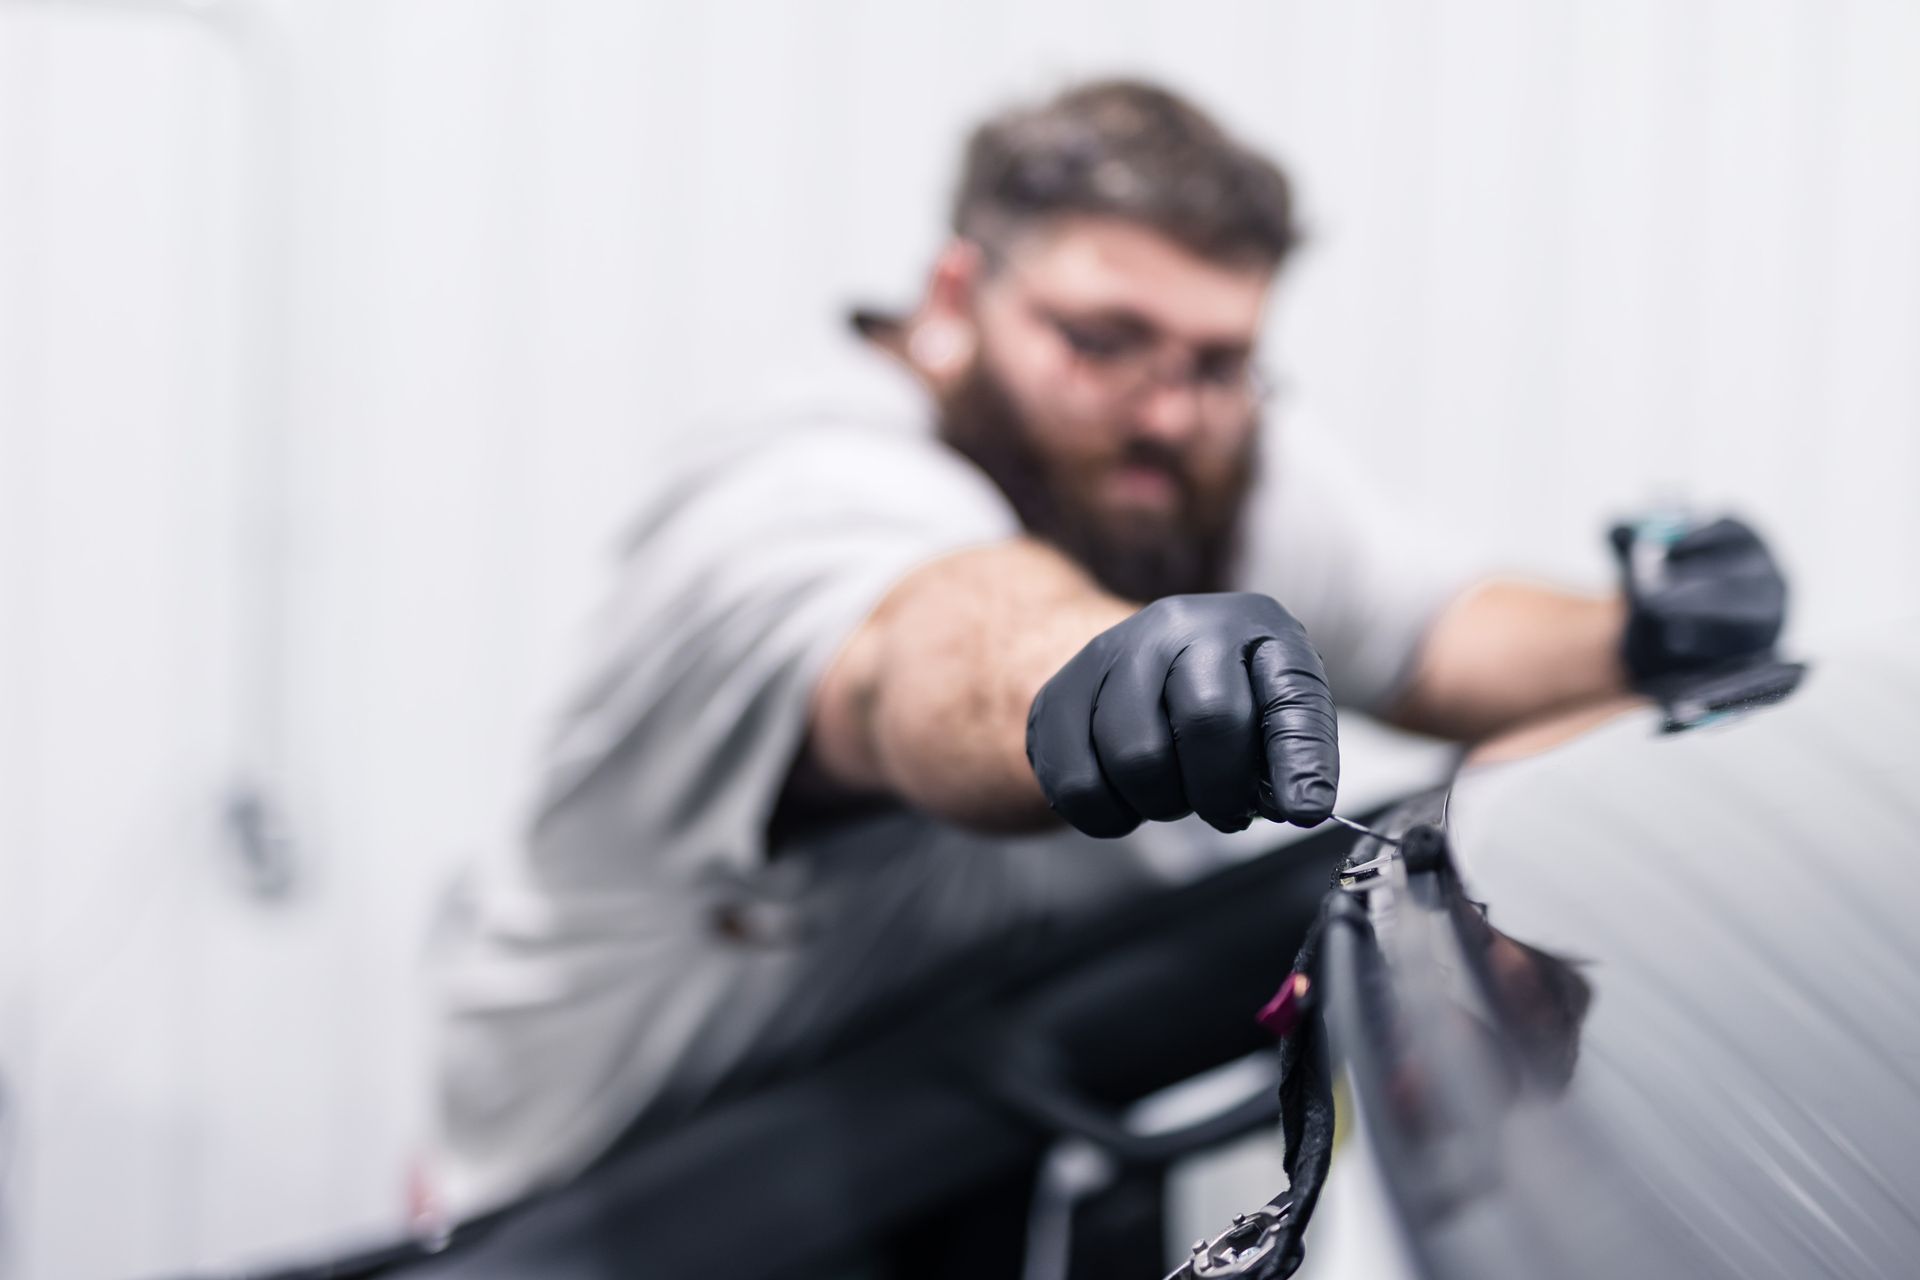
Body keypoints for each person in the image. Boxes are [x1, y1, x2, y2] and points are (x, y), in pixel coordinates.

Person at [427, 79, 1786, 1231]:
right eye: (1103, 342)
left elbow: (1435, 634)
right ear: (959, 293)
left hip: (958, 1165)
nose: (1166, 412)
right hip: (626, 1219)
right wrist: (1093, 672)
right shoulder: (792, 495)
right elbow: (930, 645)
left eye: (1218, 359)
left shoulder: (1199, 464)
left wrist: (1644, 633)